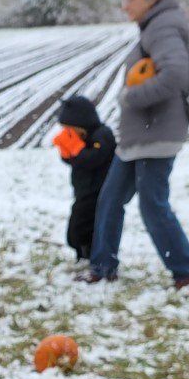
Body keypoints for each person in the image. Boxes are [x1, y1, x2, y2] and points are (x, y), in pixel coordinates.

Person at [79, 0, 189, 291]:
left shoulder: (162, 27)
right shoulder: (157, 23)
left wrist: (130, 96)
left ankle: (187, 270)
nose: (125, 6)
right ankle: (102, 266)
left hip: (156, 132)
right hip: (143, 135)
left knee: (152, 203)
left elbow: (175, 74)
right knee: (110, 198)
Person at [54, 95, 115, 263]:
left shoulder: (102, 135)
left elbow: (93, 159)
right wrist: (66, 152)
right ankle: (82, 254)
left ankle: (90, 256)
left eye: (70, 129)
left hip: (97, 192)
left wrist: (75, 150)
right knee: (76, 228)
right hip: (83, 191)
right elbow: (76, 161)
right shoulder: (82, 138)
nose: (68, 133)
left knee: (84, 228)